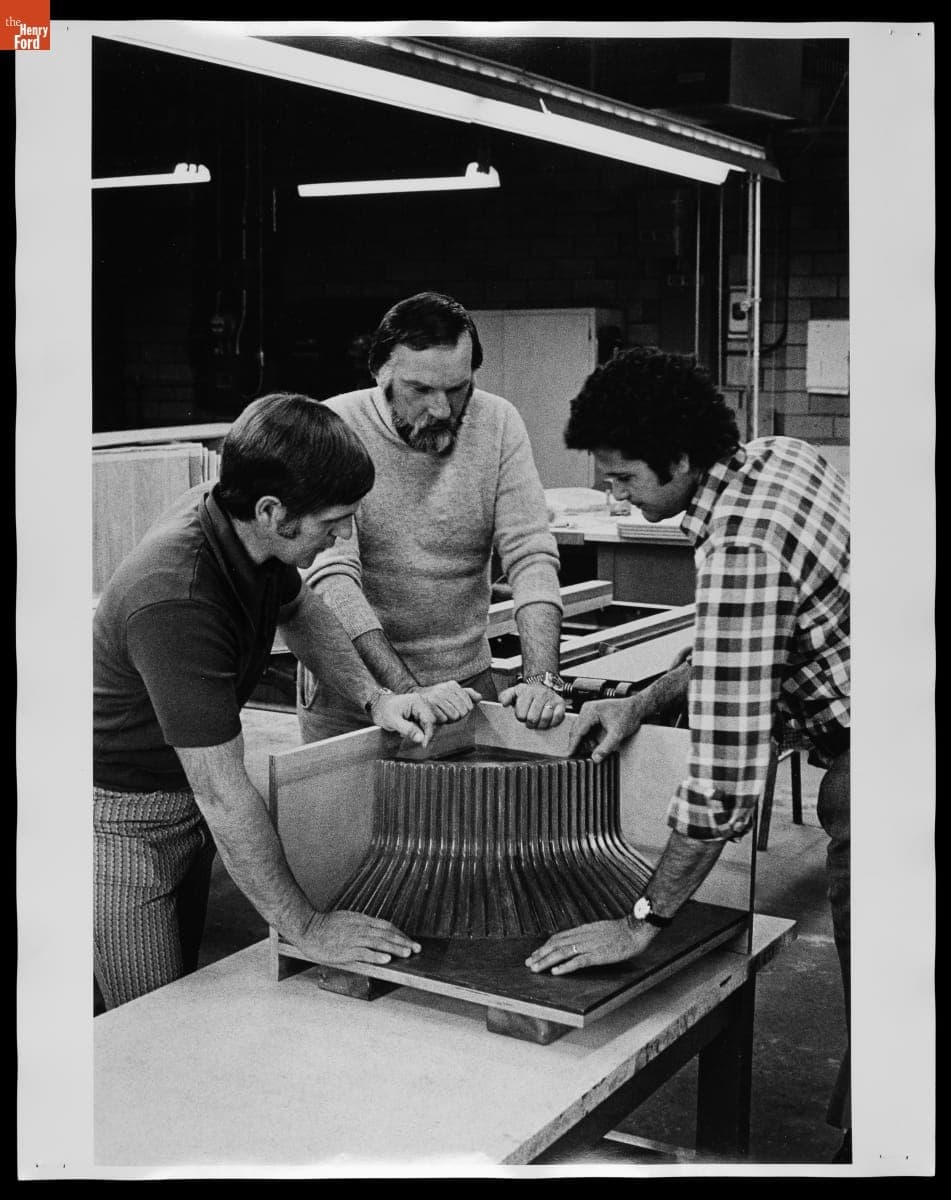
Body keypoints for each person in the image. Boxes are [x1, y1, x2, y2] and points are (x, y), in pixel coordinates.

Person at [526, 345, 851, 1149]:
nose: (613, 493)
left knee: (895, 1017)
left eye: (623, 477)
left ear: (678, 460)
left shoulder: (739, 545)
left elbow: (724, 781)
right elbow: (744, 640)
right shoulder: (778, 456)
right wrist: (641, 700)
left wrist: (643, 920)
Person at [93, 393, 438, 1010]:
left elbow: (301, 610)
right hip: (120, 819)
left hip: (182, 795)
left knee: (184, 983)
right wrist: (306, 928)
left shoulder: (244, 530)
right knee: (152, 1018)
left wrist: (376, 698)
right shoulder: (177, 598)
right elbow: (224, 794)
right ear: (272, 511)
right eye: (334, 520)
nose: (344, 534)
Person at [297, 292, 568, 742]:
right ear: (380, 375)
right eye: (420, 390)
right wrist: (408, 692)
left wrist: (542, 679)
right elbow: (333, 579)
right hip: (352, 693)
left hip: (465, 685)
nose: (442, 410)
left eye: (458, 390)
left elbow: (531, 556)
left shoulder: (499, 422)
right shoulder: (336, 426)